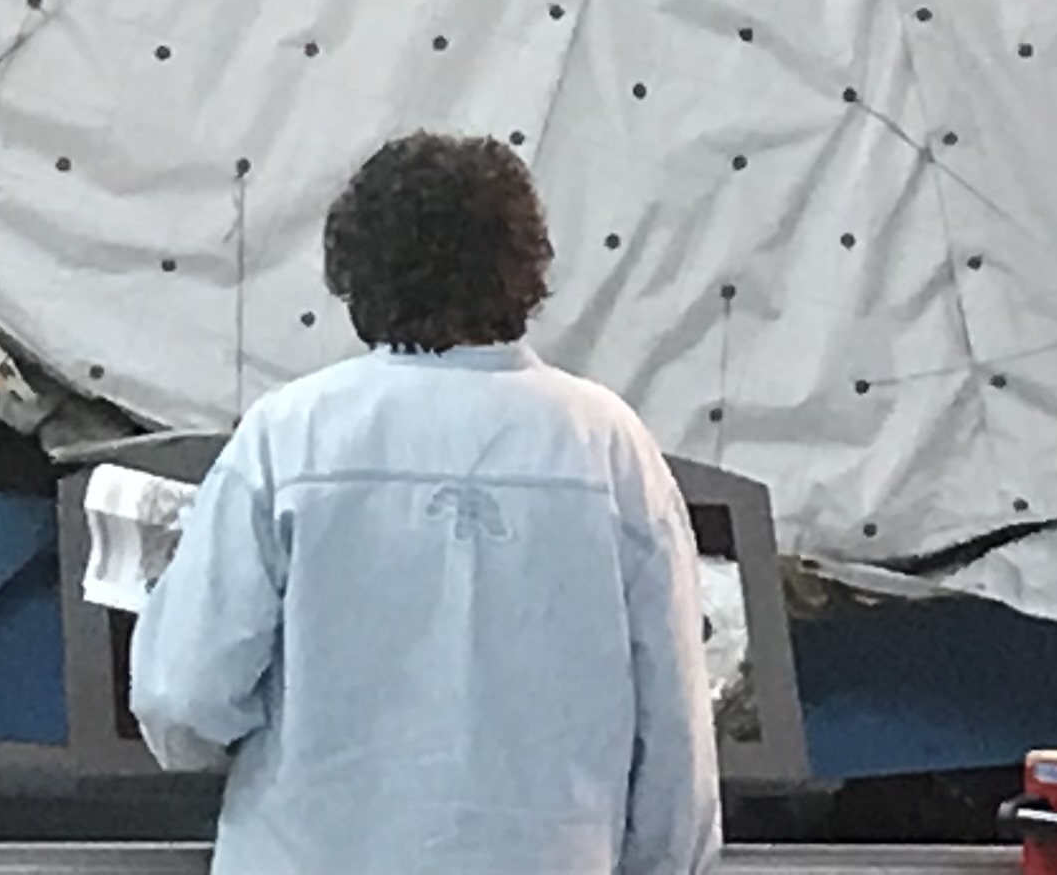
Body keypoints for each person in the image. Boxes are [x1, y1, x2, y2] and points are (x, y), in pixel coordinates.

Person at [129, 132, 720, 875]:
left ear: (356, 271)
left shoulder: (291, 435)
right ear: (525, 268)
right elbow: (675, 745)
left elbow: (182, 697)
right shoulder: (609, 446)